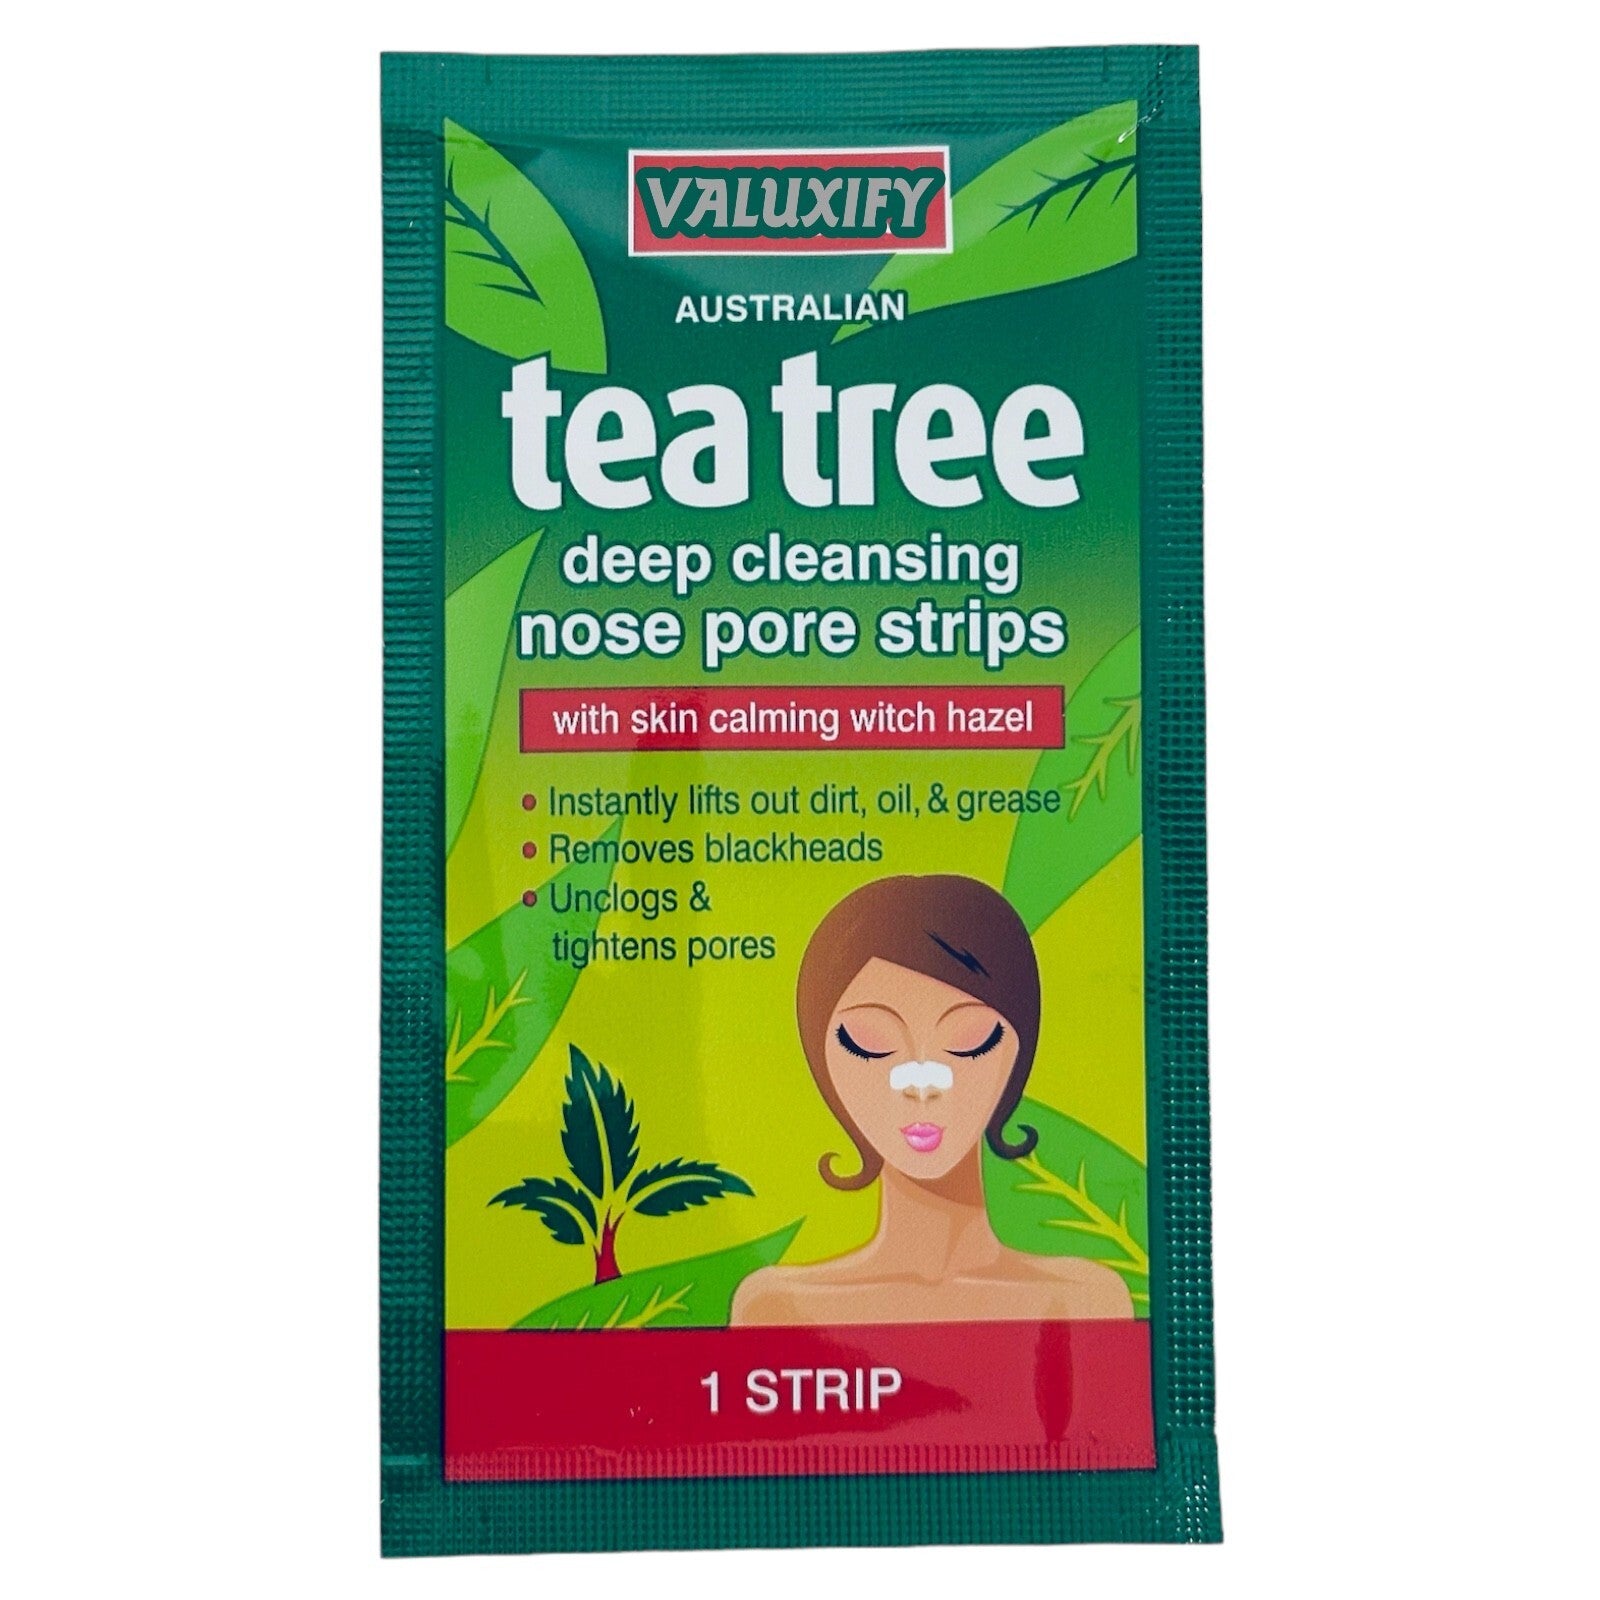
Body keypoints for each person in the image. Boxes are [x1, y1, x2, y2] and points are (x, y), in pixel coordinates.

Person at [732, 874, 1133, 1326]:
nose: (921, 1081)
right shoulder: (776, 1305)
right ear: (821, 1059)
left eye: (970, 1041)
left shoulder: (1084, 1299)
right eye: (869, 1043)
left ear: (1019, 1053)